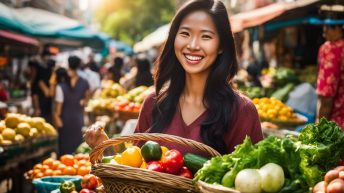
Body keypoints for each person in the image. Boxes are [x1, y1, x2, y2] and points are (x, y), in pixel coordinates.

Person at [84, 0, 263, 155]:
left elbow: (250, 180)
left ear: (222, 46)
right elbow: (136, 171)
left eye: (206, 36)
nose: (192, 45)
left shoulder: (241, 111)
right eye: (185, 33)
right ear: (174, 39)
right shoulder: (153, 103)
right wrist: (104, 148)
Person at [53, 56, 91, 156]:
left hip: (64, 120)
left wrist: (57, 120)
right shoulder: (84, 81)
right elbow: (87, 98)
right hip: (78, 119)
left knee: (64, 151)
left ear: (68, 64)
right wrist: (82, 102)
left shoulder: (62, 84)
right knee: (78, 150)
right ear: (79, 65)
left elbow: (57, 111)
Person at [316, 5, 344, 129]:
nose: (325, 30)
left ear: (340, 28)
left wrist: (319, 129)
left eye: (329, 26)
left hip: (336, 128)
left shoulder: (331, 49)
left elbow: (327, 96)